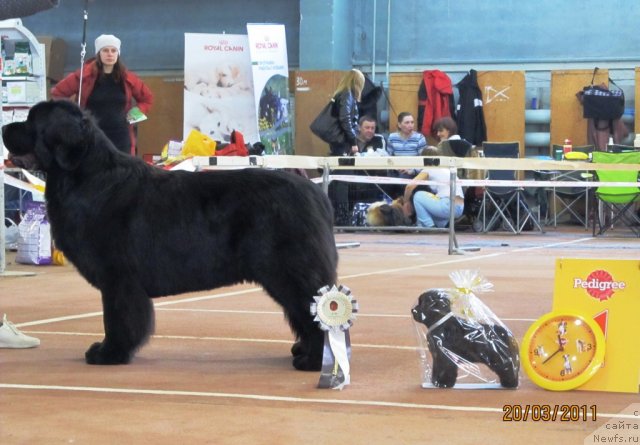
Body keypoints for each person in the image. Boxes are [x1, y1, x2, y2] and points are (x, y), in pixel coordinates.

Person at [51, 34, 153, 155]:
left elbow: (147, 99)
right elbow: (57, 93)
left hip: (121, 139)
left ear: (118, 54)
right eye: (105, 50)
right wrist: (73, 117)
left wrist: (133, 115)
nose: (110, 54)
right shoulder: (83, 75)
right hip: (92, 138)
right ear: (98, 53)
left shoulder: (128, 78)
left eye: (113, 50)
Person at [326, 69, 365, 225]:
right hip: (344, 145)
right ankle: (342, 218)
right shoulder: (347, 95)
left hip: (339, 144)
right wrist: (354, 142)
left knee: (339, 181)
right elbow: (345, 119)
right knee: (343, 181)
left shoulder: (341, 94)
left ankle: (338, 216)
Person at [387, 112, 427, 178]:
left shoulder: (419, 138)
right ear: (399, 125)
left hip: (414, 173)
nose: (410, 125)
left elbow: (424, 160)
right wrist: (396, 168)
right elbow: (388, 157)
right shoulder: (392, 137)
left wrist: (412, 170)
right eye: (407, 123)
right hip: (396, 171)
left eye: (412, 122)